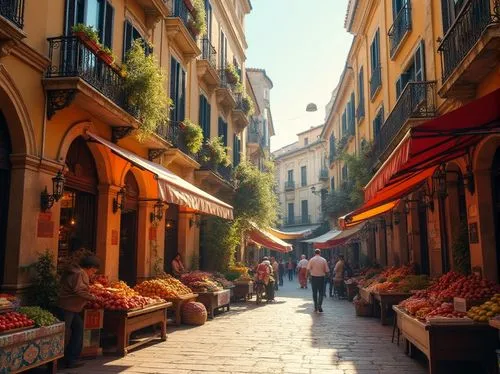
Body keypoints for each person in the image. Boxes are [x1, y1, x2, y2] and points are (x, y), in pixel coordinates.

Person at [57, 255, 100, 369]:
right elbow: (79, 290)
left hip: (70, 307)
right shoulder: (80, 273)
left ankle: (71, 358)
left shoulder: (76, 271)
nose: (93, 274)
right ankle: (65, 360)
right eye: (93, 271)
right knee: (66, 333)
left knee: (78, 329)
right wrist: (94, 298)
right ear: (89, 268)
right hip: (68, 307)